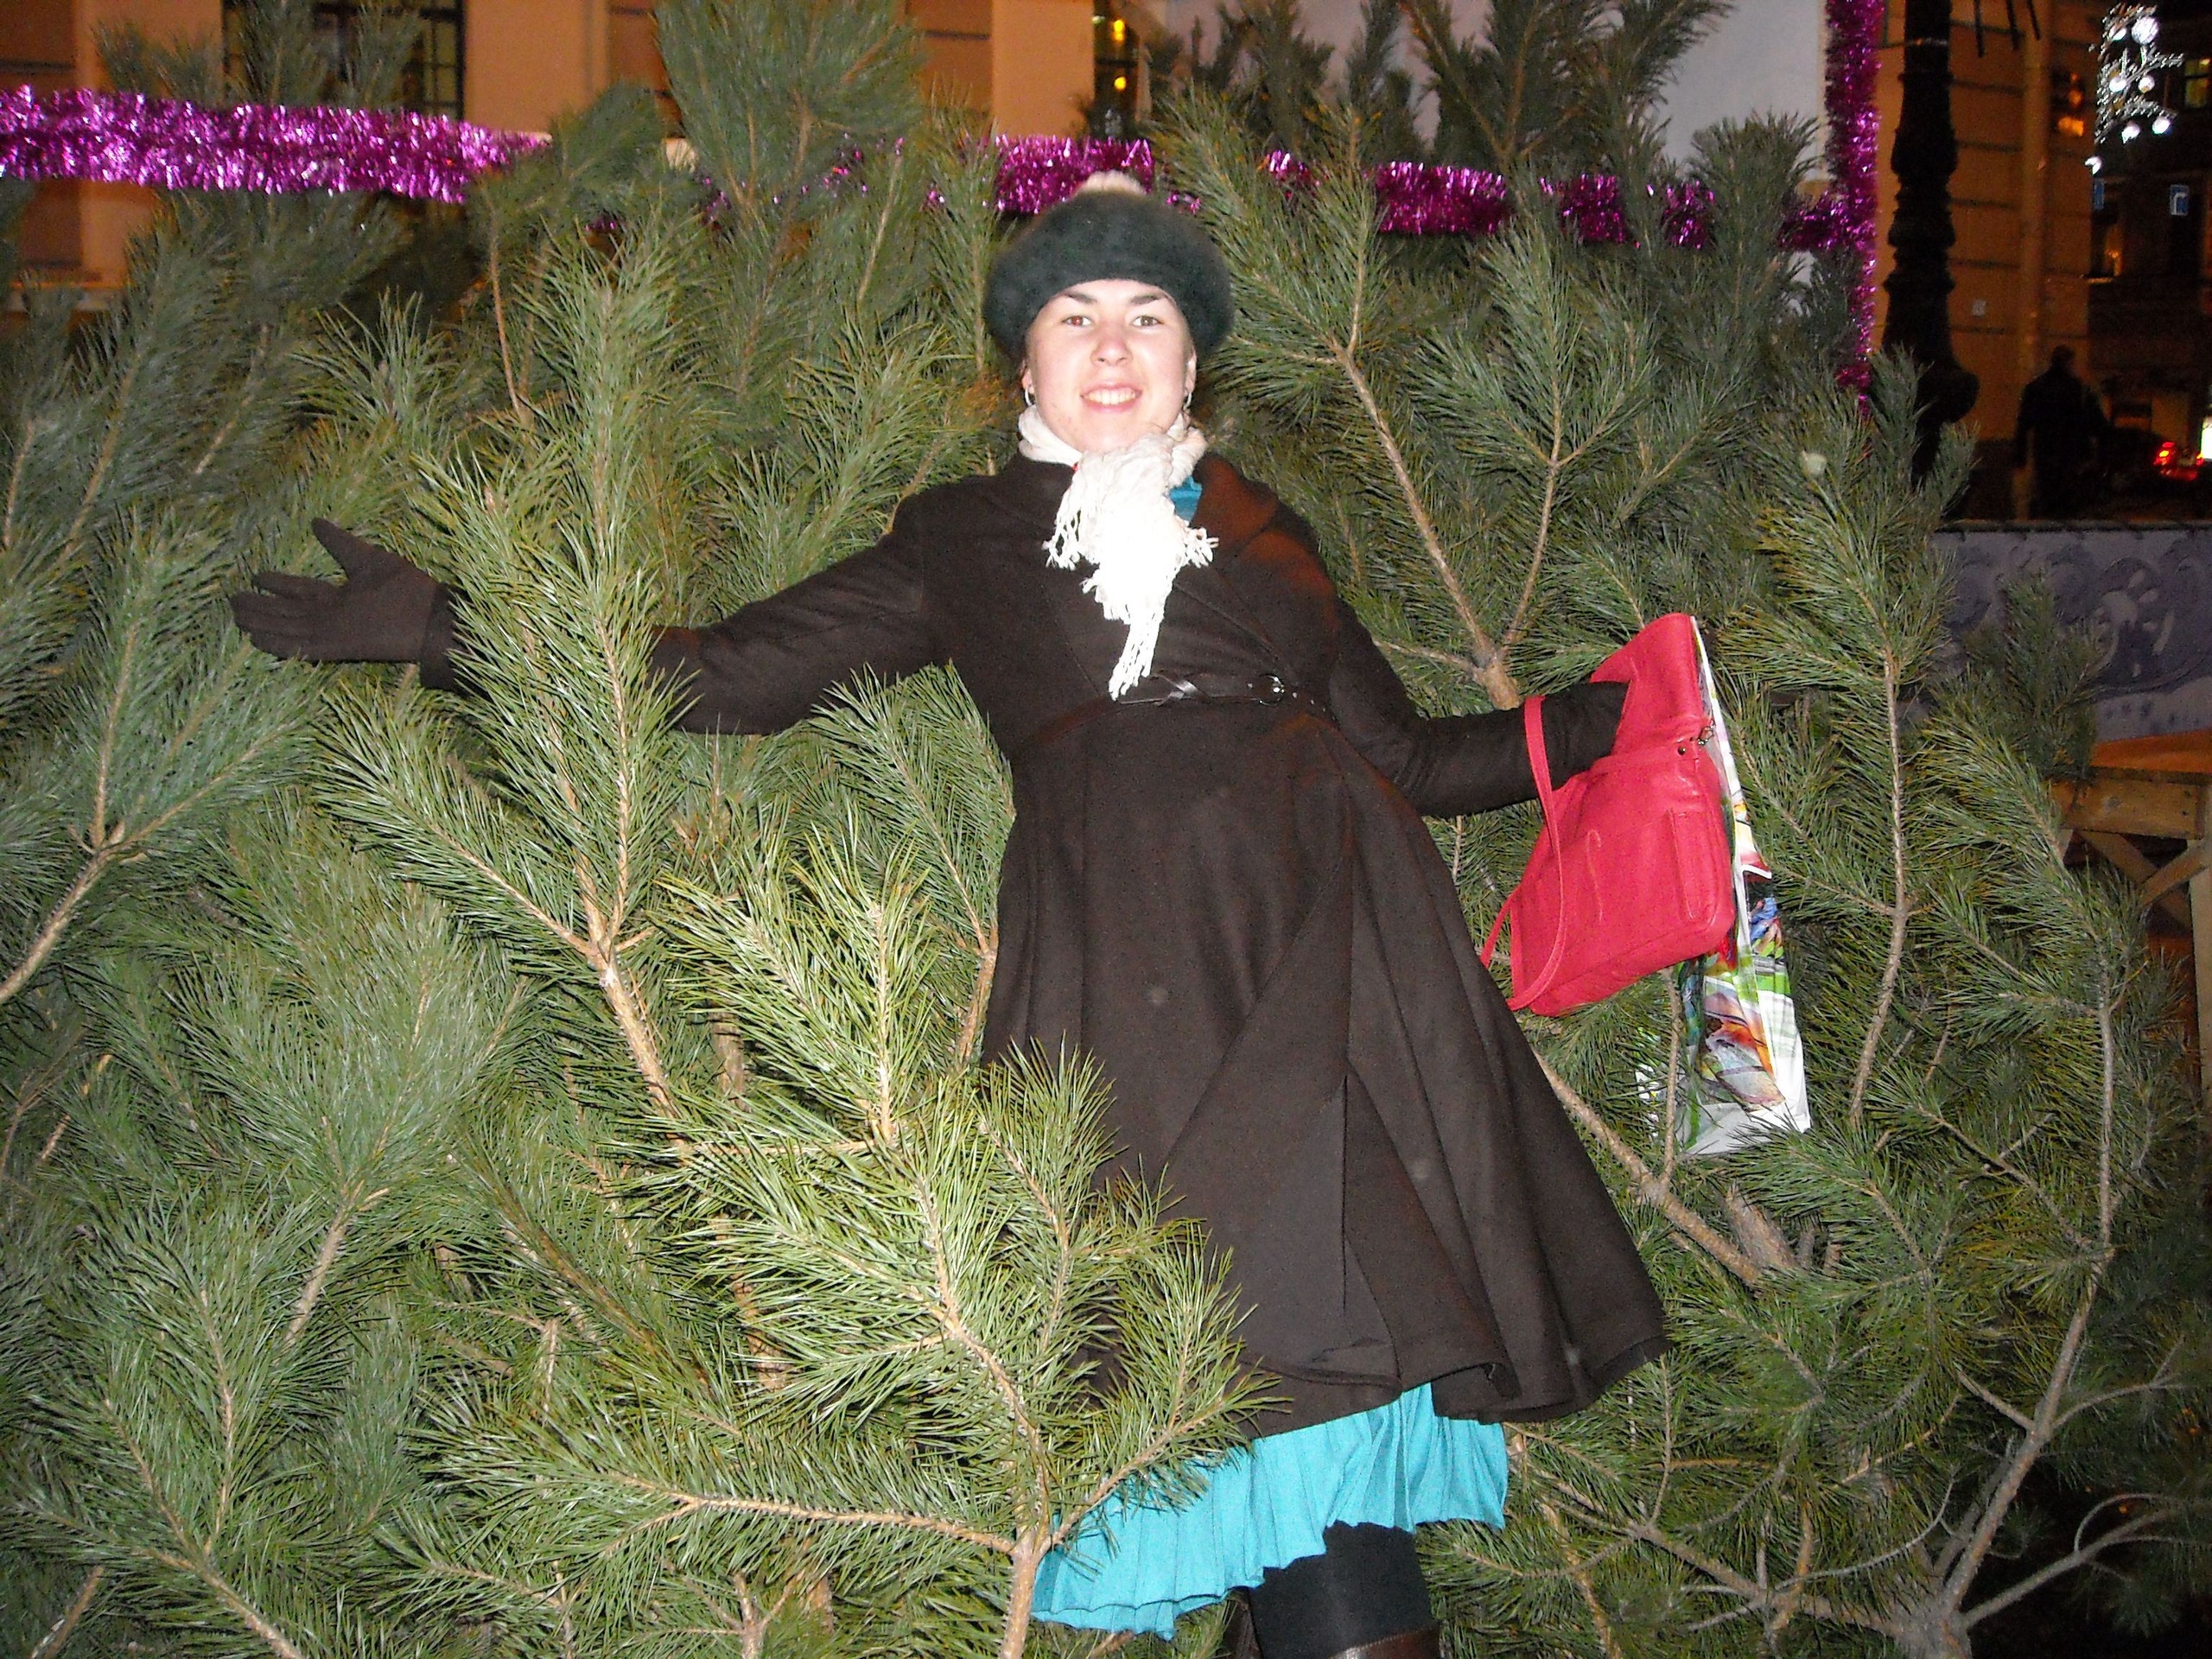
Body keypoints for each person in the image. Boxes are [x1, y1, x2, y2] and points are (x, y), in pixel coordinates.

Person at [230, 174, 1668, 1659]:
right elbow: (729, 676)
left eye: (1148, 316)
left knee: (1322, 1371)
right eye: (1074, 316)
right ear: (1025, 360)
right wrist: (441, 629)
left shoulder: (1259, 521)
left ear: (1191, 358)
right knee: (1265, 1365)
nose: (1112, 347)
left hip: (1349, 970)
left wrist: (1611, 720)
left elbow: (1411, 758)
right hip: (1151, 992)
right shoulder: (966, 537)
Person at [2013, 345, 2109, 518]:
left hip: (2045, 455)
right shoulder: (2080, 390)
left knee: (2047, 502)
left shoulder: (2035, 389)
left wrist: (2020, 456)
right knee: (2070, 507)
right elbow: (2098, 425)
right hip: (2073, 457)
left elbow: (2023, 424)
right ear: (2070, 363)